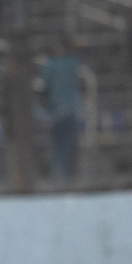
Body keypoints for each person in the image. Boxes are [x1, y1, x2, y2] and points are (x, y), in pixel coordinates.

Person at [40, 40, 84, 182]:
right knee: (61, 145)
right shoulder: (58, 65)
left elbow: (43, 87)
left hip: (66, 111)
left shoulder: (59, 64)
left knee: (65, 145)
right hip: (60, 112)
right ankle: (62, 175)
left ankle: (66, 175)